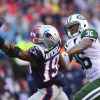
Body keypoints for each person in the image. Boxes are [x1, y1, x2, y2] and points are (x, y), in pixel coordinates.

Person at [0, 24, 69, 100]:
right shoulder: (56, 45)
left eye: (39, 36)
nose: (36, 38)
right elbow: (63, 66)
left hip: (47, 90)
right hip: (57, 86)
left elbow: (17, 53)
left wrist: (2, 43)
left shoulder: (39, 51)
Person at [64, 13, 100, 100]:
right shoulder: (69, 43)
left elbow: (84, 44)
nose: (71, 29)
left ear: (82, 24)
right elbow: (64, 62)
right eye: (70, 28)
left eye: (74, 26)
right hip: (93, 80)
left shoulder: (89, 32)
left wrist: (66, 54)